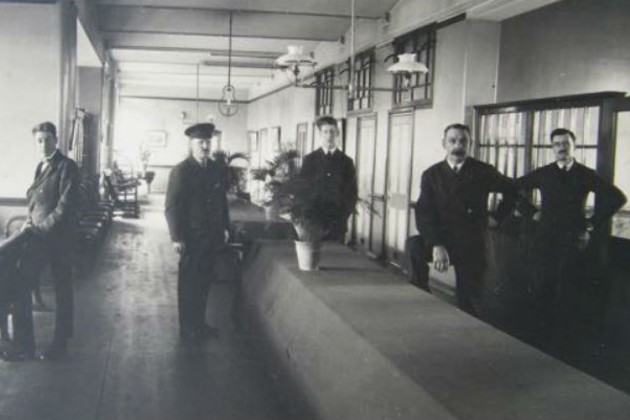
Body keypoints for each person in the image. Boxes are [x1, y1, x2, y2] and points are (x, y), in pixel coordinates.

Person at [516, 128, 627, 352]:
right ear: (552, 148)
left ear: (573, 146)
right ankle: (539, 344)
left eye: (566, 143)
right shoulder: (544, 173)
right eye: (557, 144)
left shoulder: (585, 174)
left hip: (572, 242)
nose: (561, 148)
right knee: (542, 289)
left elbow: (618, 197)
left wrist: (592, 222)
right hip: (545, 241)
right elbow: (513, 188)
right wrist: (530, 212)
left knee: (568, 292)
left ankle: (564, 347)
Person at [413, 123, 517, 316]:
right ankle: (421, 295)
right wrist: (436, 244)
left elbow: (512, 190)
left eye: (463, 141)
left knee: (470, 302)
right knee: (414, 246)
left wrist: (497, 217)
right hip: (443, 239)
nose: (458, 145)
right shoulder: (432, 175)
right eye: (453, 141)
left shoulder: (483, 171)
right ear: (444, 143)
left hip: (472, 241)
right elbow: (424, 213)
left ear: (470, 143)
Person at [165, 123, 230, 343]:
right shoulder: (182, 170)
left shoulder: (215, 169)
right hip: (191, 238)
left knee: (204, 282)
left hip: (211, 237)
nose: (205, 146)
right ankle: (187, 327)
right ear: (192, 144)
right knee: (188, 285)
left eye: (208, 142)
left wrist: (225, 228)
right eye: (201, 142)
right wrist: (176, 237)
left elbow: (222, 203)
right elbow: (172, 207)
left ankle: (200, 324)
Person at [23, 121, 79, 361]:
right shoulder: (40, 166)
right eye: (39, 140)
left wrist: (41, 229)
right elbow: (35, 201)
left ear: (56, 140)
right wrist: (28, 222)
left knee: (62, 289)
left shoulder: (67, 166)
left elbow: (64, 208)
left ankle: (60, 341)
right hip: (39, 236)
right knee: (24, 281)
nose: (43, 144)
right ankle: (23, 342)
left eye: (47, 139)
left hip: (58, 240)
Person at [300, 116, 358, 242]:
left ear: (337, 133)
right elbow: (302, 191)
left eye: (332, 131)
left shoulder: (346, 162)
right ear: (320, 134)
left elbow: (352, 194)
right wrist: (308, 218)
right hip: (313, 224)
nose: (329, 136)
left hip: (337, 224)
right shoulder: (310, 160)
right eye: (325, 132)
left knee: (335, 259)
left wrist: (343, 217)